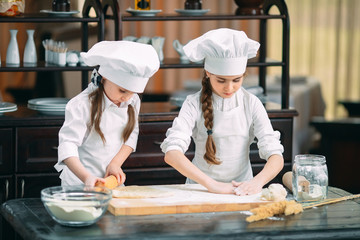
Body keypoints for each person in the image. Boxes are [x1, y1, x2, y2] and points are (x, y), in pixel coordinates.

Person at [160, 28, 284, 196]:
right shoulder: (193, 104)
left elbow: (275, 155)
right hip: (201, 190)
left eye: (236, 80)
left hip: (242, 190)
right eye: (221, 80)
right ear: (208, 73)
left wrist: (257, 182)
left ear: (243, 75)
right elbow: (172, 154)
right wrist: (212, 185)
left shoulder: (252, 103)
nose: (229, 87)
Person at [55, 41, 160, 187]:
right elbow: (68, 146)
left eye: (133, 92)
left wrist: (115, 164)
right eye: (122, 91)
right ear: (104, 78)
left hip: (110, 182)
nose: (127, 98)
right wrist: (87, 178)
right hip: (79, 184)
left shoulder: (133, 101)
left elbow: (131, 136)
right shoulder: (81, 104)